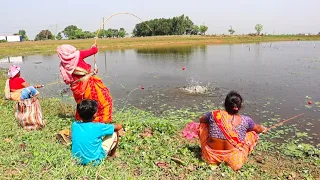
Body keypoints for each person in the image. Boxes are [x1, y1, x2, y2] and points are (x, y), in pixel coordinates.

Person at [198, 90, 266, 171]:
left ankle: (215, 159)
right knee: (252, 133)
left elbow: (201, 120)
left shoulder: (214, 114)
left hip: (210, 156)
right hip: (234, 161)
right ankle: (233, 157)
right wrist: (263, 129)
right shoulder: (246, 120)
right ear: (239, 106)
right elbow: (258, 129)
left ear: (225, 104)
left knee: (203, 125)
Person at [57, 44, 112, 123]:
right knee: (105, 100)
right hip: (88, 85)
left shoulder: (63, 64)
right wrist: (94, 46)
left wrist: (92, 72)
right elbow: (94, 50)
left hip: (77, 88)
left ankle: (83, 120)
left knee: (83, 104)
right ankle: (101, 120)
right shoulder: (77, 55)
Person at [71, 99, 122, 165]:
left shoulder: (75, 125)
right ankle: (112, 155)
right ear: (95, 115)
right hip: (94, 162)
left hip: (77, 160)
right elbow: (118, 127)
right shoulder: (98, 127)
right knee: (115, 132)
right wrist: (120, 125)